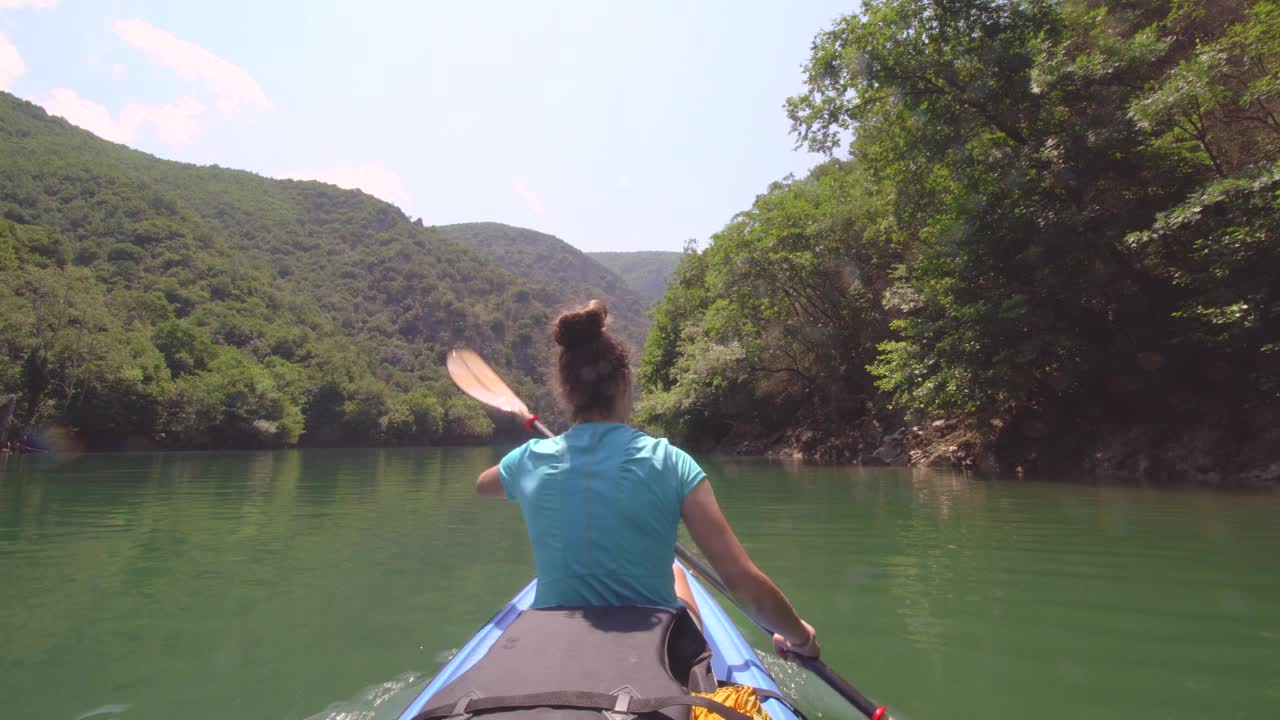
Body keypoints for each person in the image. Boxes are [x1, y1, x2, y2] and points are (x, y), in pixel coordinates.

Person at [476, 299, 819, 660]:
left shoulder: (529, 459)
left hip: (555, 644)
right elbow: (741, 581)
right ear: (625, 381)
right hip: (650, 657)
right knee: (677, 574)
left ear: (565, 390)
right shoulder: (670, 461)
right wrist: (800, 637)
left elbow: (484, 485)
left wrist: (529, 463)